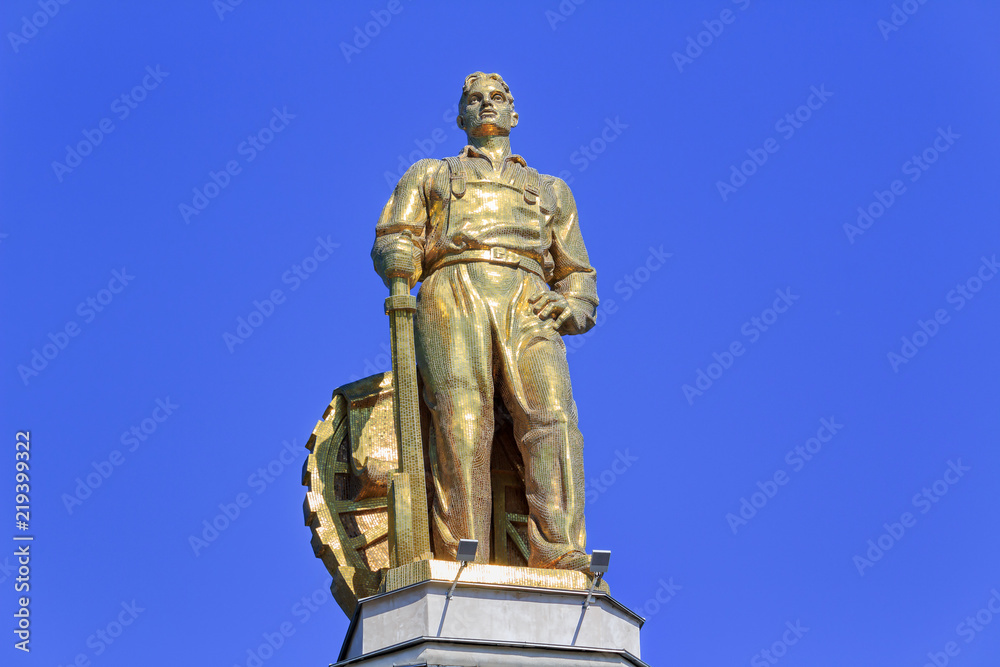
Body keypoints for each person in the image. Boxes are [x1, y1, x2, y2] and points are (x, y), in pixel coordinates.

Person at [371, 72, 598, 571]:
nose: (487, 105)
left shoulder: (550, 189)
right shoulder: (431, 173)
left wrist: (574, 305)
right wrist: (400, 262)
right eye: (475, 100)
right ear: (461, 117)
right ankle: (461, 548)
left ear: (514, 114)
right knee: (461, 418)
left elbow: (577, 272)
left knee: (553, 418)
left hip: (528, 294)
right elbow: (395, 234)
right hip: (454, 288)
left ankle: (557, 548)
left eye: (498, 98)